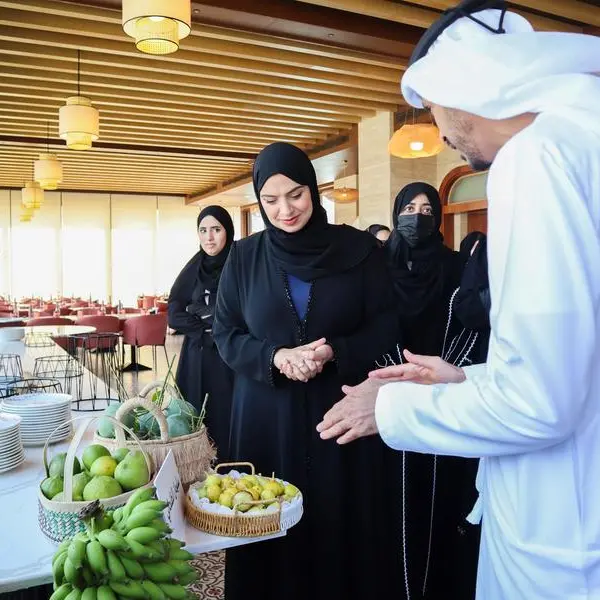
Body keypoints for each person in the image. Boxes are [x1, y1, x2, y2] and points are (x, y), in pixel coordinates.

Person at [317, 3, 600, 599]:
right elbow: (579, 360)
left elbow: (543, 403)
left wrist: (389, 408)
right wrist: (465, 379)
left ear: (467, 84)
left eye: (435, 108)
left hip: (564, 536)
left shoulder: (537, 157)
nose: (441, 132)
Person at [213, 142, 403, 600]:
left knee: (340, 525)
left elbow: (389, 327)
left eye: (295, 194)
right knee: (267, 522)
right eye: (271, 200)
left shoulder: (360, 251)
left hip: (339, 415)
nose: (285, 210)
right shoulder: (243, 257)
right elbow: (225, 332)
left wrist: (333, 351)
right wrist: (275, 357)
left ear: (315, 190)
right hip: (265, 416)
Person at [377, 183, 478, 599]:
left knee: (438, 507)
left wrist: (440, 376)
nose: (416, 217)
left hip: (442, 397)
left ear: (437, 216)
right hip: (384, 395)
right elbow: (362, 322)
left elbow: (473, 327)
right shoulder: (376, 267)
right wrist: (389, 374)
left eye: (425, 209)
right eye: (408, 208)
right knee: (388, 509)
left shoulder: (456, 268)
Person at [167, 205, 235, 461]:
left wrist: (199, 312)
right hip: (196, 355)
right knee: (194, 417)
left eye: (216, 229)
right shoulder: (193, 269)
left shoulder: (239, 265)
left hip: (230, 356)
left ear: (227, 231)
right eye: (203, 230)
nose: (209, 237)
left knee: (226, 414)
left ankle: (230, 468)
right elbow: (174, 314)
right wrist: (206, 326)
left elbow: (240, 312)